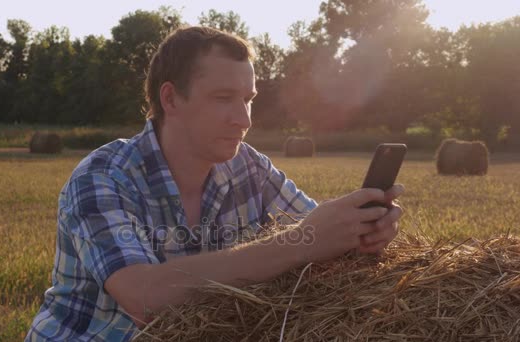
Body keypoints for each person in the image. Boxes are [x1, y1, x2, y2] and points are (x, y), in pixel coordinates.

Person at [25, 26, 404, 341]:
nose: (244, 119)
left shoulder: (249, 168)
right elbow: (146, 298)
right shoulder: (104, 177)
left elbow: (316, 230)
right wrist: (300, 242)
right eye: (224, 98)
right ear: (171, 98)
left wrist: (357, 231)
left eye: (248, 99)